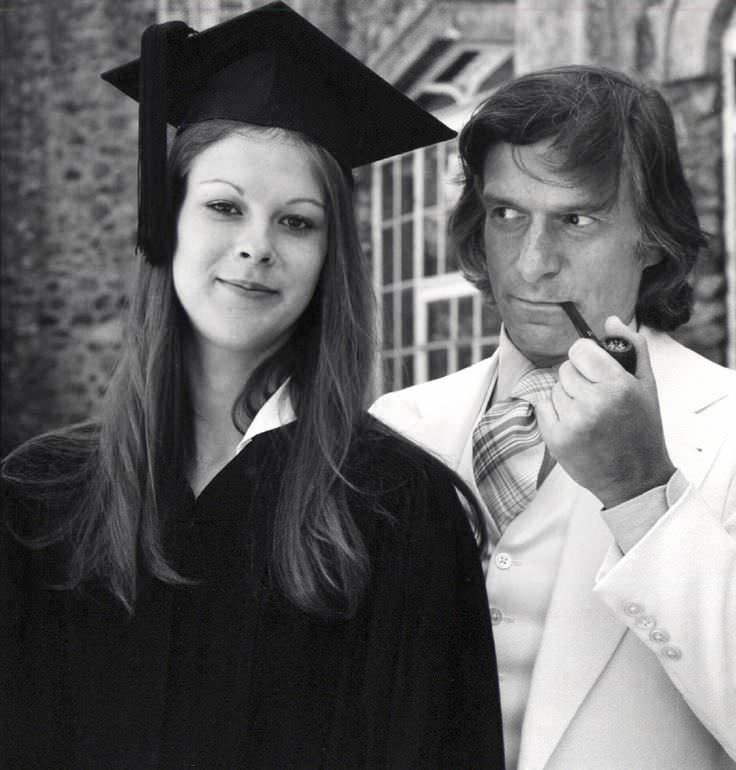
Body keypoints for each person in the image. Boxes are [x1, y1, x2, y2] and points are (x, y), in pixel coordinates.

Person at [1, 3, 505, 767]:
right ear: (164, 220)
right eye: (225, 207)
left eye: (297, 223)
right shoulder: (38, 497)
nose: (256, 247)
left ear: (331, 256)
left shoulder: (399, 510)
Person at [372, 65, 736, 769]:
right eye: (508, 215)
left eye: (578, 218)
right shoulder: (396, 427)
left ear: (654, 238)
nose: (534, 263)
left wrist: (641, 493)